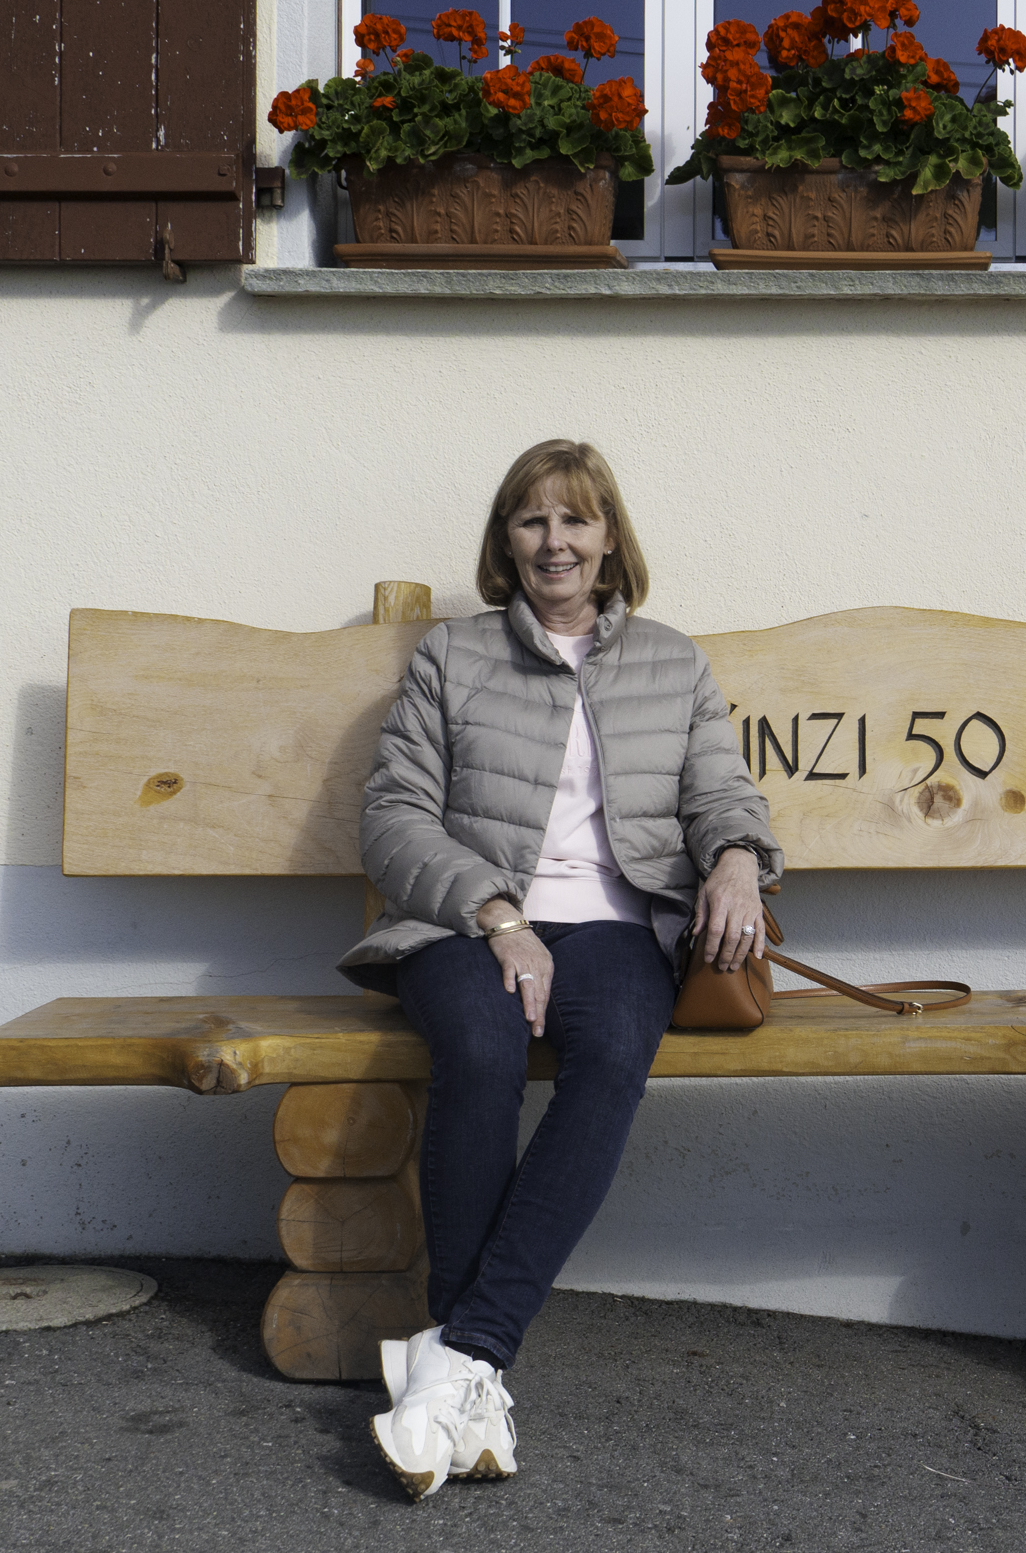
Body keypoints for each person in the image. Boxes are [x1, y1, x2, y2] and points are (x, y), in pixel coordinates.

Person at [337, 439, 780, 1501]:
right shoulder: (454, 657)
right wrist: (495, 913)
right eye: (532, 522)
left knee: (617, 1048)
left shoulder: (673, 663)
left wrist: (732, 863)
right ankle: (472, 1366)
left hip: (617, 929)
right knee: (482, 1048)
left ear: (610, 538)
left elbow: (727, 794)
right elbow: (392, 816)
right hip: (464, 928)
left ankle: (456, 1355)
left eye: (576, 520)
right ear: (505, 543)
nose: (555, 541)